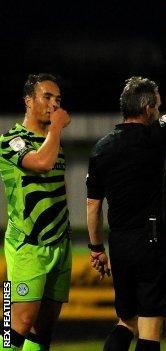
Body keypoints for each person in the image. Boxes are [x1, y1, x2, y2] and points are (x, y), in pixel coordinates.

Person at [85, 23, 166, 351]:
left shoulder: (101, 148)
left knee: (125, 321)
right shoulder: (154, 136)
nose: (159, 109)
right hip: (152, 243)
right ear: (147, 109)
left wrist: (96, 248)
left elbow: (93, 206)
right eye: (157, 104)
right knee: (150, 327)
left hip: (120, 245)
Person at [0, 73, 71, 350]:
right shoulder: (11, 140)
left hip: (59, 245)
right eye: (47, 97)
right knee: (17, 322)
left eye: (58, 99)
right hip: (27, 246)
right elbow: (40, 163)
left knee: (45, 327)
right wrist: (56, 128)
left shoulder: (54, 145)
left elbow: (60, 190)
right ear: (28, 101)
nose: (54, 104)